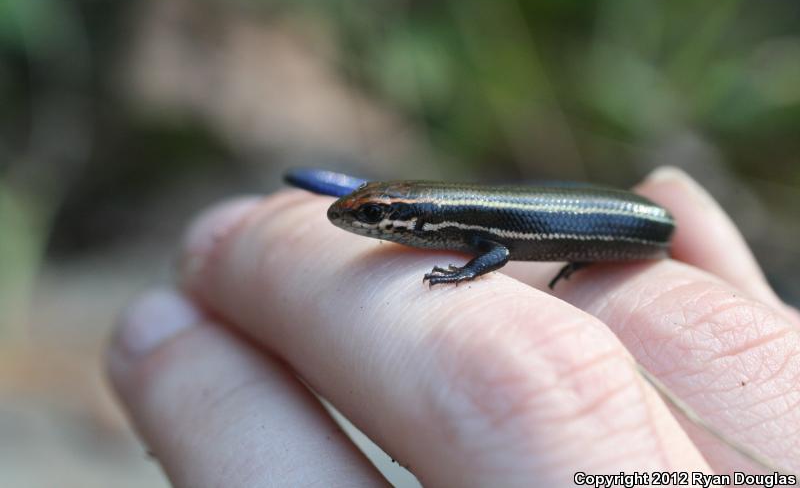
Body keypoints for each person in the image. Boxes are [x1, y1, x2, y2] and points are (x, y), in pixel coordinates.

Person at [106, 167, 800, 486]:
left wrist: (463, 276)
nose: (359, 224)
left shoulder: (467, 228)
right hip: (620, 223)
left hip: (639, 234)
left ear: (416, 220)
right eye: (367, 215)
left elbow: (495, 252)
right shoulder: (451, 216)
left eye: (376, 218)